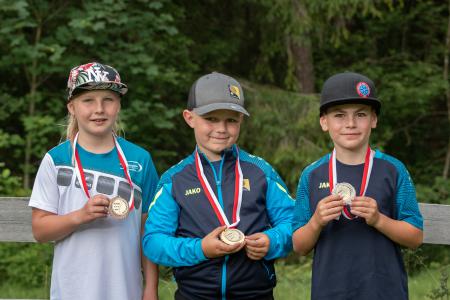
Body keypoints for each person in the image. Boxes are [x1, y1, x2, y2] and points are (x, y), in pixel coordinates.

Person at [142, 72, 294, 300]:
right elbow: (153, 241)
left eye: (231, 120)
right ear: (189, 117)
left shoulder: (261, 172)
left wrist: (272, 241)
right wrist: (200, 249)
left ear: (241, 121)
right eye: (211, 119)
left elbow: (293, 222)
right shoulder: (174, 180)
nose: (222, 128)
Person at [29, 62, 159, 300]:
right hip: (72, 291)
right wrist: (80, 216)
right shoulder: (56, 159)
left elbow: (146, 231)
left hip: (125, 291)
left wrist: (151, 288)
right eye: (88, 100)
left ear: (118, 105)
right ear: (72, 107)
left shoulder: (140, 159)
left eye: (108, 99)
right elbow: (40, 230)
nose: (99, 109)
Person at [292, 72, 423, 299]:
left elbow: (415, 237)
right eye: (339, 115)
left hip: (385, 292)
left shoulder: (393, 170)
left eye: (360, 114)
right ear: (324, 122)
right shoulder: (311, 175)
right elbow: (299, 246)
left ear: (374, 119)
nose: (350, 124)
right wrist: (316, 222)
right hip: (329, 292)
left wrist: (379, 220)